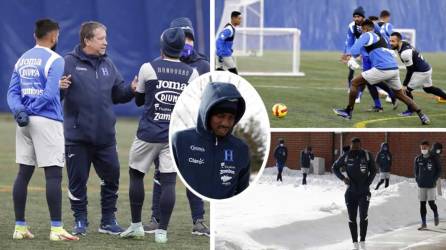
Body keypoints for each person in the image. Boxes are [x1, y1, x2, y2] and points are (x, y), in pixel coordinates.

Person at [119, 27, 199, 243]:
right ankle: (162, 232)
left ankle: (136, 226)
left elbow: (139, 100)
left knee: (136, 175)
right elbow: (191, 107)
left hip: (148, 133)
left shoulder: (148, 68)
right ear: (182, 48)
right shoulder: (192, 73)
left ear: (162, 46)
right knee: (169, 182)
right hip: (173, 135)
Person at [60, 21, 137, 236]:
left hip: (105, 137)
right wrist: (59, 88)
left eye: (106, 37)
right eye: (101, 38)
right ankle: (80, 221)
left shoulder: (108, 64)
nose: (106, 42)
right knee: (77, 183)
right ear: (87, 40)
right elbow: (54, 95)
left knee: (112, 178)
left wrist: (131, 89)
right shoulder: (68, 62)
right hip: (77, 137)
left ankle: (108, 221)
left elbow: (117, 94)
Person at [7, 19, 78, 241]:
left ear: (34, 35)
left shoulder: (22, 59)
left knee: (23, 173)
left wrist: (20, 111)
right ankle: (56, 229)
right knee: (54, 174)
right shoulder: (56, 59)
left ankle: (19, 228)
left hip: (24, 123)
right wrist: (32, 110)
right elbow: (48, 95)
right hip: (47, 121)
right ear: (54, 36)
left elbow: (12, 92)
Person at [143, 18, 211, 237]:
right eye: (183, 38)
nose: (186, 42)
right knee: (161, 175)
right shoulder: (158, 64)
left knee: (194, 174)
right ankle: (156, 219)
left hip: (191, 129)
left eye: (189, 38)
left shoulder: (202, 65)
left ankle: (199, 221)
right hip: (164, 130)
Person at [334, 19, 430, 125]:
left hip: (382, 69)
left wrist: (350, 57)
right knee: (401, 95)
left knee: (354, 83)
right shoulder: (381, 37)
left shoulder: (366, 35)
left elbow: (355, 50)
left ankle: (348, 111)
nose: (361, 31)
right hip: (394, 69)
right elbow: (373, 38)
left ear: (365, 29)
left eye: (362, 29)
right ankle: (422, 115)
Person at [171, 82, 250, 199]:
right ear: (206, 113)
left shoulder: (241, 148)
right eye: (220, 116)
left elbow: (242, 195)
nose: (226, 123)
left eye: (231, 118)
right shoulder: (180, 141)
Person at [342, 7, 396, 111]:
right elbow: (349, 42)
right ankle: (380, 104)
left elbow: (383, 37)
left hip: (374, 55)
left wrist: (388, 50)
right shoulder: (351, 26)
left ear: (363, 17)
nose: (356, 18)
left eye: (358, 16)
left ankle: (390, 95)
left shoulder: (372, 25)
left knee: (371, 79)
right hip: (365, 56)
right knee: (369, 80)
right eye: (354, 16)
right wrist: (349, 56)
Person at [332, 138, 376, 250]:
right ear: (351, 146)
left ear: (360, 145)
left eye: (356, 146)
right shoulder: (346, 156)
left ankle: (362, 241)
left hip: (364, 192)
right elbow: (334, 167)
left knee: (363, 216)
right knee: (352, 218)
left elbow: (374, 170)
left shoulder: (367, 155)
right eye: (353, 146)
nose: (354, 148)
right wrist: (343, 178)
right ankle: (355, 243)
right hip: (351, 193)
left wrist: (368, 183)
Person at [389, 32, 446, 116]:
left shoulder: (405, 53)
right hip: (426, 68)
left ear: (399, 41)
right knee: (428, 88)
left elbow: (410, 70)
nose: (391, 43)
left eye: (393, 41)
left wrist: (405, 85)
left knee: (406, 90)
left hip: (421, 72)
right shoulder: (403, 44)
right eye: (390, 41)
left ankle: (410, 110)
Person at [415, 141, 441, 230]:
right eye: (422, 148)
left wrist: (434, 179)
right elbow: (415, 172)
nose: (423, 149)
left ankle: (436, 214)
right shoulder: (418, 159)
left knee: (431, 203)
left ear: (428, 148)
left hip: (431, 185)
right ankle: (423, 223)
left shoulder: (434, 158)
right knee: (422, 204)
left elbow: (439, 170)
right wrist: (417, 180)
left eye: (425, 148)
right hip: (421, 185)